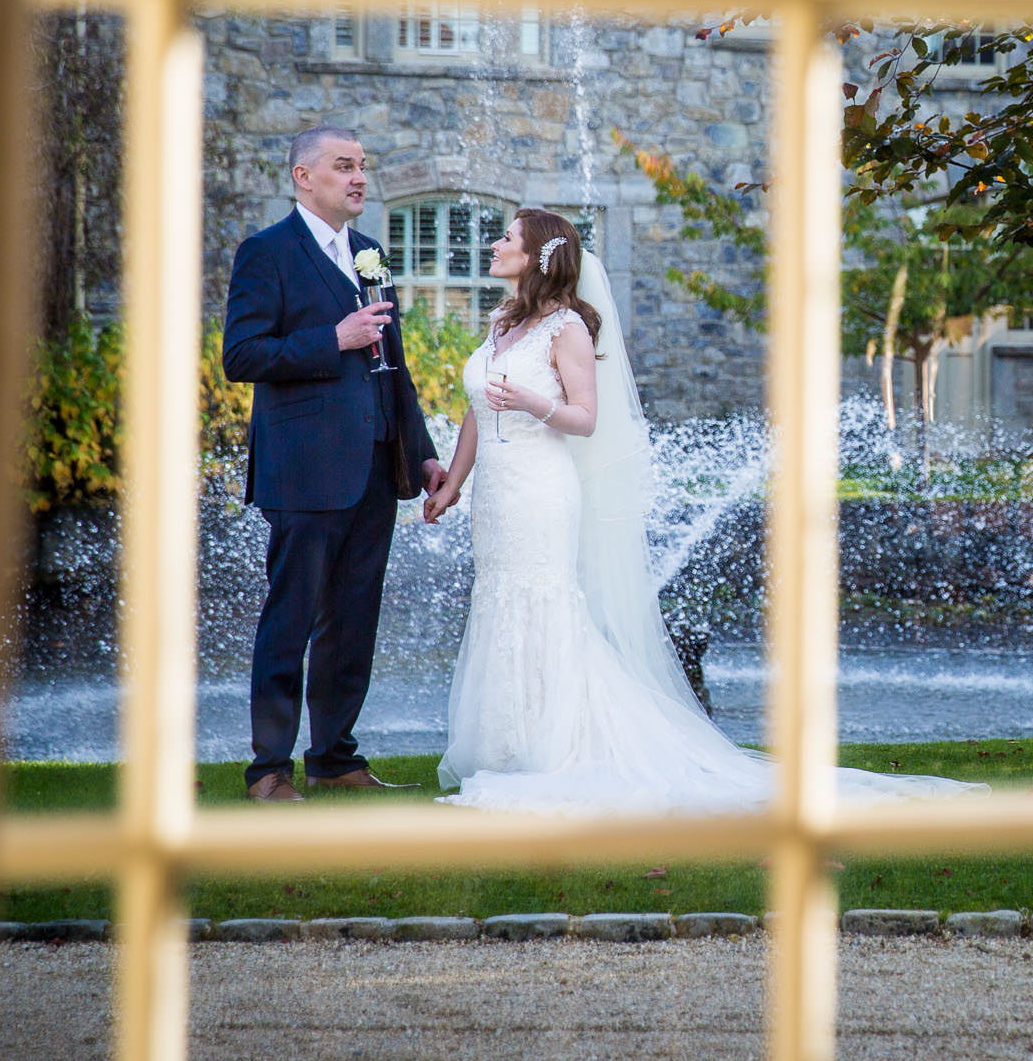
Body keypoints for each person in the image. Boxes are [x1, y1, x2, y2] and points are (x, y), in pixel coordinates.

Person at [419, 208, 981, 812]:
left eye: (507, 237)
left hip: (541, 491)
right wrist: (453, 480)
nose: (496, 244)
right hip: (496, 499)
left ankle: (555, 746)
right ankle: (505, 743)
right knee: (501, 599)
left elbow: (585, 419)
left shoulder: (569, 330)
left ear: (537, 256)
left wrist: (533, 401)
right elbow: (480, 407)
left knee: (543, 602)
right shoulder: (503, 322)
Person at [221, 126, 445, 802]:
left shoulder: (370, 252)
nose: (358, 178)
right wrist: (332, 339)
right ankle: (268, 770)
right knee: (291, 619)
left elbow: (393, 367)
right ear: (303, 176)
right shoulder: (266, 253)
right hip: (304, 468)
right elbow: (242, 355)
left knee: (354, 618)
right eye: (343, 166)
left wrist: (424, 453)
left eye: (363, 167)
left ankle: (334, 756)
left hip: (376, 466)